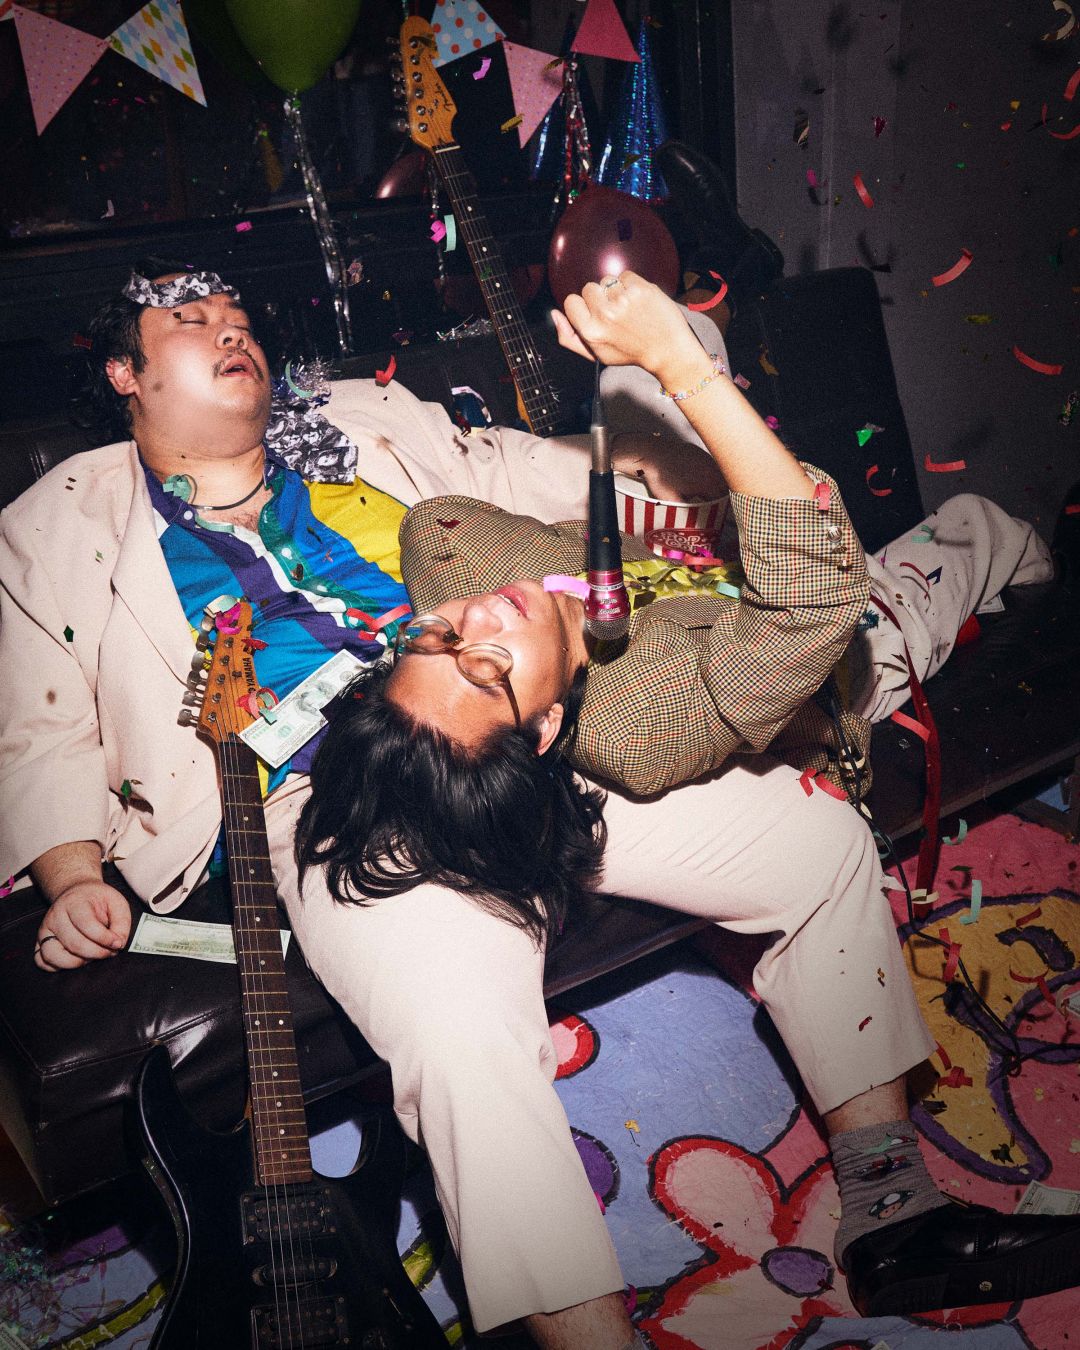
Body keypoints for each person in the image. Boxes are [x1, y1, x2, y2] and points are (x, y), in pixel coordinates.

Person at [0, 261, 1074, 1348]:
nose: (231, 330)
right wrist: (72, 874)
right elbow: (36, 722)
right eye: (190, 320)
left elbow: (541, 476)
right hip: (326, 796)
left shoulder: (366, 420)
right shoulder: (59, 523)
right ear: (125, 372)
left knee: (814, 841)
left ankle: (894, 1209)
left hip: (513, 722)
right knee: (460, 1033)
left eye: (239, 315)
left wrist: (670, 434)